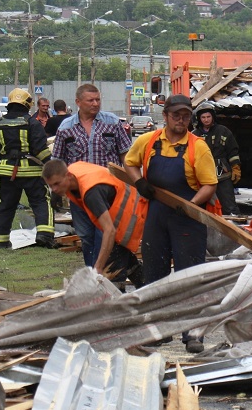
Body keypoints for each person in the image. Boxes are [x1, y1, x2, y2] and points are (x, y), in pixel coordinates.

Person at [124, 94, 218, 353]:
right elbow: (129, 163)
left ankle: (193, 334)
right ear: (164, 116)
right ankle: (158, 331)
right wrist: (139, 182)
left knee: (190, 277)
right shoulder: (148, 141)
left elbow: (210, 184)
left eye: (186, 116)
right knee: (155, 275)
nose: (181, 120)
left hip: (187, 218)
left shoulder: (198, 147)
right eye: (176, 115)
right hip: (156, 215)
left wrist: (190, 206)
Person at [52, 84, 132, 268]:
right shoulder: (66, 128)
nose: (95, 104)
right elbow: (58, 161)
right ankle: (92, 273)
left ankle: (102, 276)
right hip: (79, 194)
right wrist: (56, 191)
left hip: (107, 193)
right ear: (78, 102)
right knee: (86, 237)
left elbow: (125, 155)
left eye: (98, 99)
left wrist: (133, 182)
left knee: (104, 234)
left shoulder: (112, 122)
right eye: (90, 100)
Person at [42, 159, 145, 287]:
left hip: (130, 214)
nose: (55, 189)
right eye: (51, 186)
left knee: (110, 275)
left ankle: (114, 304)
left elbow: (110, 231)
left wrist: (98, 267)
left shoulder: (91, 192)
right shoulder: (73, 172)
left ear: (68, 176)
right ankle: (153, 294)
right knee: (128, 264)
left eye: (57, 184)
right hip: (120, 211)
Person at [0, 88, 56, 248]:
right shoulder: (32, 123)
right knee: (40, 202)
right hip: (32, 173)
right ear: (27, 104)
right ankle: (44, 235)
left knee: (6, 206)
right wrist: (51, 165)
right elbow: (40, 149)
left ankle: (2, 242)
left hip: (7, 173)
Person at [192, 101, 241, 215]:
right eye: (203, 117)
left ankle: (233, 228)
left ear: (213, 117)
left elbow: (233, 151)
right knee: (203, 206)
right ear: (199, 118)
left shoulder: (223, 131)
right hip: (202, 176)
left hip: (222, 174)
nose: (206, 119)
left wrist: (236, 167)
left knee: (229, 206)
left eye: (208, 116)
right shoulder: (194, 134)